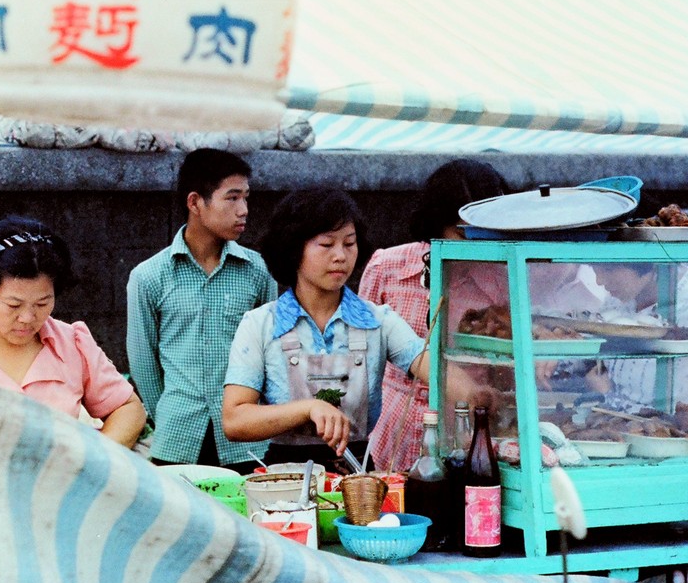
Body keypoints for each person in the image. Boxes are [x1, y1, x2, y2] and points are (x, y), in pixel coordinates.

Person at [221, 187, 435, 469]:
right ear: (293, 248)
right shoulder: (261, 324)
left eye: (349, 243)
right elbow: (234, 420)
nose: (340, 256)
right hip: (284, 479)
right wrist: (308, 408)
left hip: (357, 479)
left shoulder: (379, 322)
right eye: (326, 244)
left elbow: (438, 373)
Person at [0, 216, 147, 448]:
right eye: (13, 305)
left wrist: (93, 463)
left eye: (42, 304)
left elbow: (127, 408)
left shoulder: (72, 344)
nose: (27, 318)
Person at [126, 149, 277, 474]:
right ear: (195, 202)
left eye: (246, 198)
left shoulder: (257, 271)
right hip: (178, 440)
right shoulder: (149, 276)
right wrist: (169, 412)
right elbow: (142, 362)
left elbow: (272, 352)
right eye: (232, 198)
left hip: (247, 444)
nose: (244, 211)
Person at [359, 159, 509, 471]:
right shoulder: (387, 266)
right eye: (461, 232)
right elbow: (360, 356)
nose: (472, 243)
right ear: (436, 222)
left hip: (462, 440)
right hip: (390, 435)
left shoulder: (500, 283)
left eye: (482, 232)